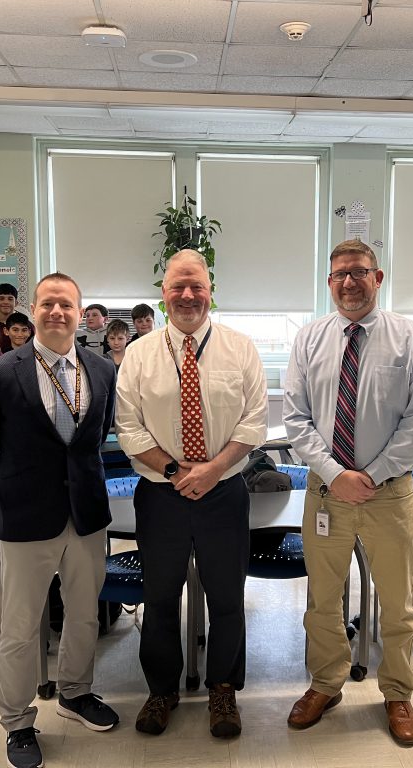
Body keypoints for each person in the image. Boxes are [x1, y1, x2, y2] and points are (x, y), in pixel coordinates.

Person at [0, 273, 120, 768]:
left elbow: (98, 435)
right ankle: (16, 720)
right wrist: (7, 483)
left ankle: (75, 693)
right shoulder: (1, 373)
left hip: (87, 514)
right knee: (21, 626)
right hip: (27, 516)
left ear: (79, 312)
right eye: (48, 304)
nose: (57, 312)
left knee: (85, 613)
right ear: (32, 310)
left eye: (66, 305)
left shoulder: (101, 369)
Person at [284, 240, 413, 747]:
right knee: (322, 600)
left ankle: (397, 691)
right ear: (329, 283)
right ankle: (326, 684)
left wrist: (370, 474)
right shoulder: (309, 339)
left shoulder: (409, 337)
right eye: (340, 274)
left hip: (388, 494)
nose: (349, 282)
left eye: (359, 272)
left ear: (379, 276)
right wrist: (335, 473)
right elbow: (296, 419)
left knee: (398, 603)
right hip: (326, 494)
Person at [116, 250, 266, 739]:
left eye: (196, 286)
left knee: (227, 598)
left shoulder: (240, 349)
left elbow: (254, 421)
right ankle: (162, 690)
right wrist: (181, 471)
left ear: (210, 291)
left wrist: (213, 469)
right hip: (161, 495)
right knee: (159, 599)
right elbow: (128, 427)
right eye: (178, 286)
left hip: (224, 493)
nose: (187, 295)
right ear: (163, 292)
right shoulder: (138, 354)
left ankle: (223, 688)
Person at [0, 283, 21, 353]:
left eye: (10, 299)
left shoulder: (26, 325)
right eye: (1, 298)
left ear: (16, 303)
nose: (6, 302)